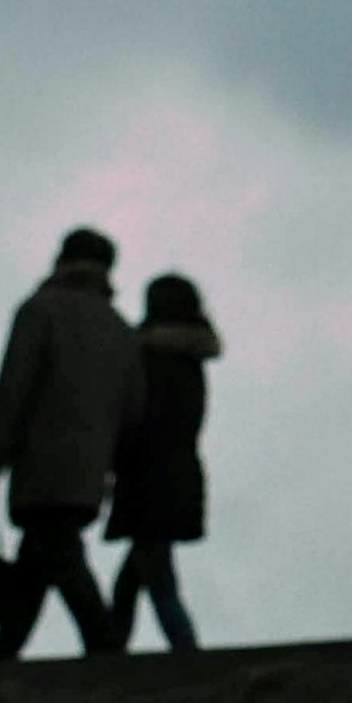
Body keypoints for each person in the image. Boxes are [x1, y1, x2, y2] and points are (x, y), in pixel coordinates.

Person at [0, 225, 149, 660]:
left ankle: (104, 644)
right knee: (40, 556)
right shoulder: (121, 329)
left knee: (58, 553)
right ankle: (4, 651)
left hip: (40, 456)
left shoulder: (40, 311)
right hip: (91, 466)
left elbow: (14, 386)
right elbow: (133, 410)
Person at [106, 273, 221, 651]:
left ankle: (184, 654)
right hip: (179, 473)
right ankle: (109, 652)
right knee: (141, 577)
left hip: (145, 476)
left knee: (155, 580)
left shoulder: (145, 356)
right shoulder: (190, 359)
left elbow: (133, 419)